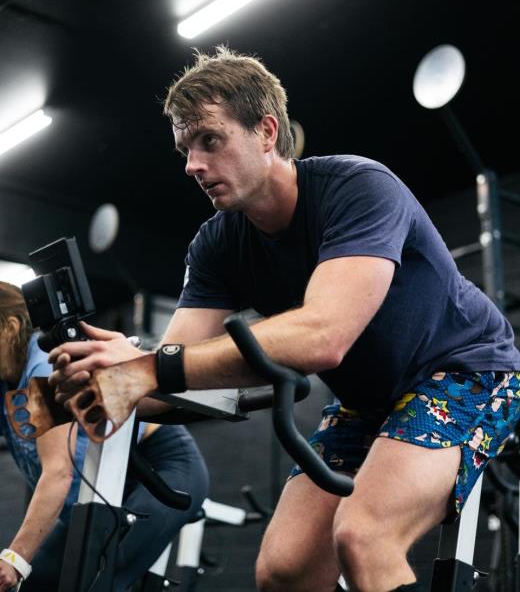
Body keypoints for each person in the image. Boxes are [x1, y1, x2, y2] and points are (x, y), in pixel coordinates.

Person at [47, 46, 520, 592]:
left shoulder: (358, 188)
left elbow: (322, 336)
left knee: (364, 536)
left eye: (209, 140)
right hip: (367, 403)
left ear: (267, 131)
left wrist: (147, 368)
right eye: (185, 149)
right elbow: (172, 377)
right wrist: (104, 379)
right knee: (283, 571)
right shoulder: (216, 245)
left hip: (466, 372)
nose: (192, 165)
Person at [0, 281, 209, 592]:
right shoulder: (6, 378)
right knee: (38, 584)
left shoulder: (45, 367)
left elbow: (58, 472)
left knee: (97, 581)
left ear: (10, 327)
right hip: (98, 487)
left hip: (160, 468)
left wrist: (14, 559)